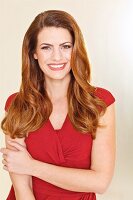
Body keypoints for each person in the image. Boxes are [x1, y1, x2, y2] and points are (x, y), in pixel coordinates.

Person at [0, 10, 116, 200]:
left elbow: (100, 182)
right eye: (46, 47)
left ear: (75, 49)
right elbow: (23, 190)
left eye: (65, 46)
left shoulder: (99, 103)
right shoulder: (17, 105)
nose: (57, 57)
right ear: (34, 53)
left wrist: (31, 166)